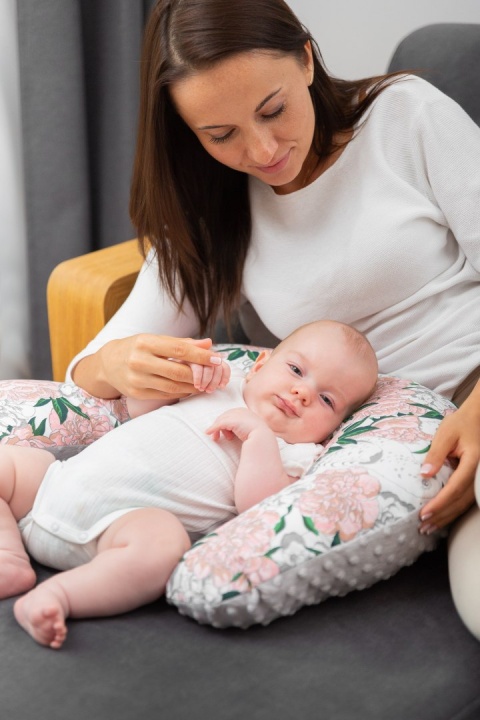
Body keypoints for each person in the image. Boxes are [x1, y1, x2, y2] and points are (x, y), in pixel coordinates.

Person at [0, 0, 478, 638]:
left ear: (305, 59)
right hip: (357, 447)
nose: (262, 149)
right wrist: (116, 362)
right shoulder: (215, 204)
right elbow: (88, 372)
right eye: (220, 134)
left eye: (273, 109)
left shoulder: (404, 116)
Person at [0, 320, 378, 649]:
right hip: (54, 482)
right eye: (296, 370)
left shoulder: (297, 453)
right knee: (10, 461)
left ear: (335, 427)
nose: (303, 393)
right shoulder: (221, 386)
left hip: (118, 528)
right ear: (260, 366)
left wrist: (259, 439)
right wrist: (179, 379)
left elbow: (259, 507)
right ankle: (8, 555)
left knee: (163, 545)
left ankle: (59, 595)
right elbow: (138, 409)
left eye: (326, 399)